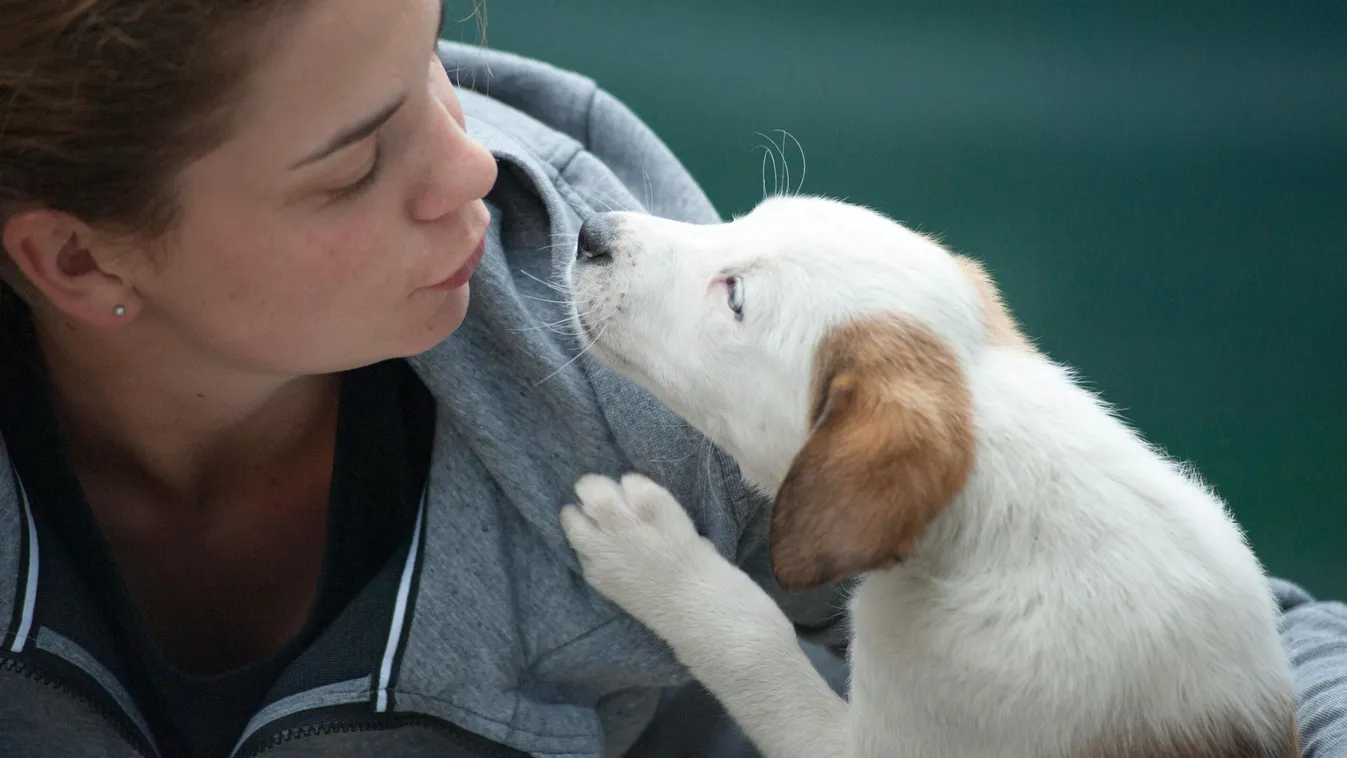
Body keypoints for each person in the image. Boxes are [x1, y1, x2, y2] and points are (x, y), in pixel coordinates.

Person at [0, 1, 1341, 757]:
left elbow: (1224, 648)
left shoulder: (656, 394)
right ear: (71, 256)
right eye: (355, 164)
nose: (474, 167)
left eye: (431, 63)